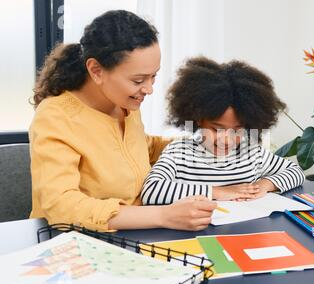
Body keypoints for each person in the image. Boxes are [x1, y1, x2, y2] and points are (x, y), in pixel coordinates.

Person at [30, 10, 216, 232]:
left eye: (153, 76)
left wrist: (200, 144)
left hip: (139, 233)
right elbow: (62, 206)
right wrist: (163, 215)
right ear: (96, 71)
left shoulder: (124, 103)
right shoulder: (55, 117)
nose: (149, 89)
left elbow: (138, 148)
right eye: (138, 80)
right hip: (76, 241)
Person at [141, 56, 305, 205]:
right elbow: (151, 191)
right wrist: (218, 192)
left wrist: (264, 185)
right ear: (199, 119)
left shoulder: (251, 154)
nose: (226, 139)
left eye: (237, 130)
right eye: (217, 129)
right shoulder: (180, 153)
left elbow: (295, 172)